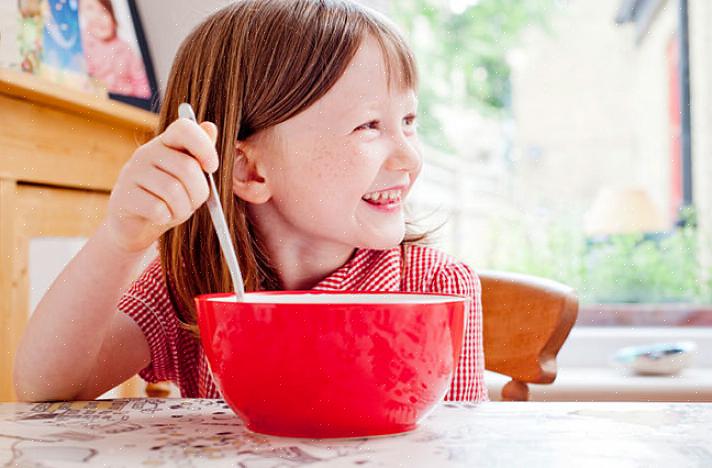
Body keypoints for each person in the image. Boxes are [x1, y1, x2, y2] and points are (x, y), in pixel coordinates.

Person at [14, 0, 488, 403]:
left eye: (408, 120)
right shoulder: (189, 286)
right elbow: (47, 387)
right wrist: (121, 239)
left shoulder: (436, 288)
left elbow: (457, 449)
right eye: (370, 126)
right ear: (248, 169)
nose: (410, 156)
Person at [79, 0, 150, 97]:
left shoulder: (126, 50)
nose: (99, 19)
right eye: (90, 9)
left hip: (126, 103)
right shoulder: (84, 43)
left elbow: (142, 85)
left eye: (104, 12)